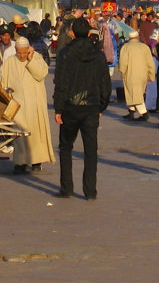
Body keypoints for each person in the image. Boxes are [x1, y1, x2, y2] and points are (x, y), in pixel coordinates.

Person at [53, 17, 111, 200]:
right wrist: (102, 104)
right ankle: (90, 191)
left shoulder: (64, 54)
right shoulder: (98, 55)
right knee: (90, 150)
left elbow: (60, 83)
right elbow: (105, 83)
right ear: (88, 33)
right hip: (91, 107)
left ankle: (67, 188)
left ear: (72, 32)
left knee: (65, 148)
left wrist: (58, 108)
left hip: (70, 107)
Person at [0, 37, 55, 174]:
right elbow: (3, 82)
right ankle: (20, 162)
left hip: (35, 103)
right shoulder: (9, 62)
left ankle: (36, 161)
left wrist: (30, 59)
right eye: (19, 53)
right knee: (20, 136)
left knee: (36, 134)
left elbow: (41, 74)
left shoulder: (36, 58)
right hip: (18, 106)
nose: (22, 56)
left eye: (25, 52)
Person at [118, 30, 155, 122]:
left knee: (135, 94)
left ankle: (144, 113)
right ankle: (131, 112)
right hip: (143, 74)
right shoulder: (144, 47)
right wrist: (151, 74)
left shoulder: (126, 47)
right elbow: (150, 63)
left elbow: (123, 62)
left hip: (131, 74)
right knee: (136, 93)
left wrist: (122, 72)